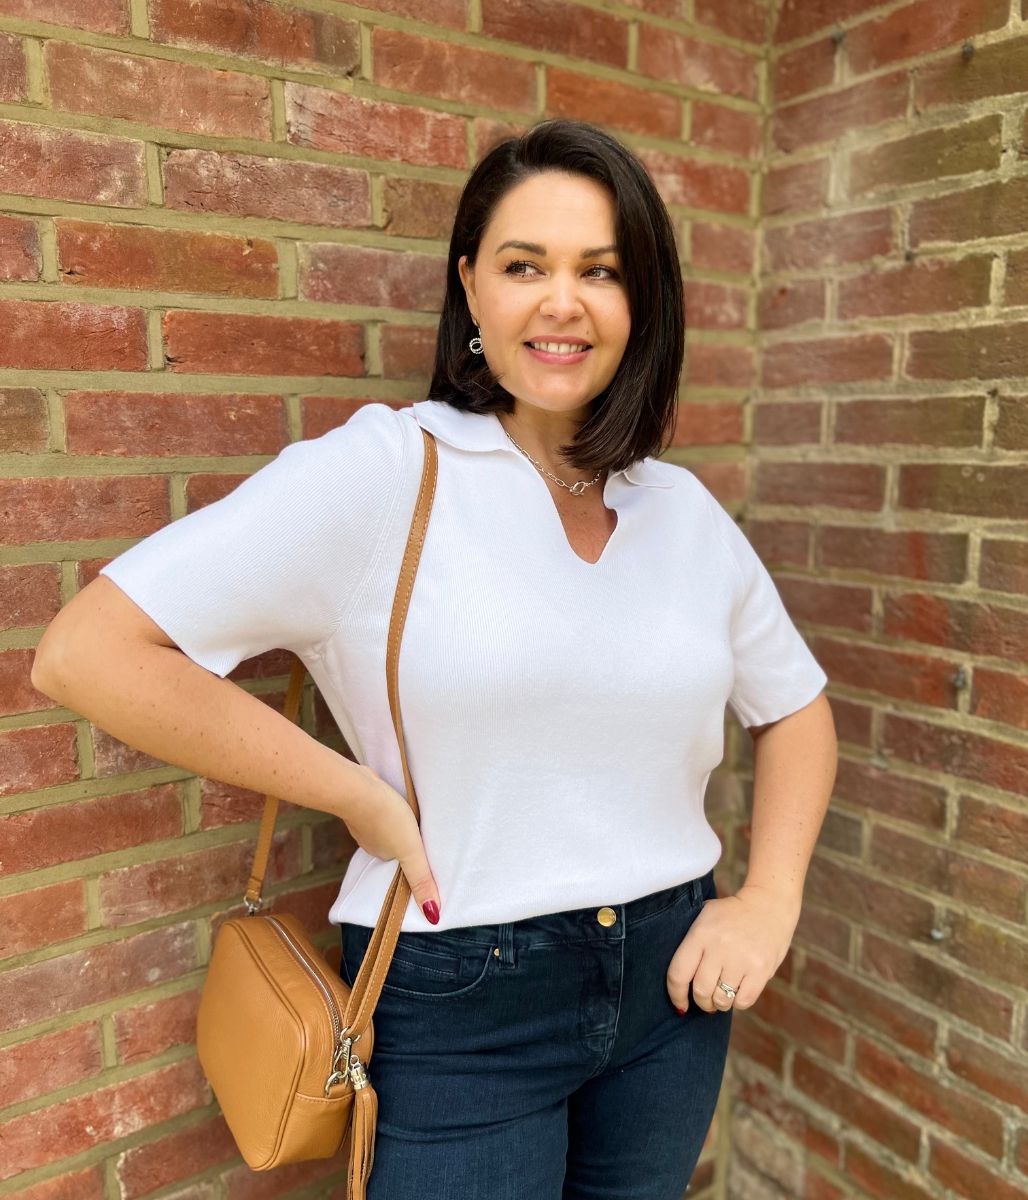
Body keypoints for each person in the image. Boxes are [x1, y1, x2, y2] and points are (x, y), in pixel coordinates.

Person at [32, 118, 838, 1198]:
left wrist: (769, 899)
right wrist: (355, 796)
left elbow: (794, 708)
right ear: (469, 287)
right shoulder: (387, 470)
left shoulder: (677, 507)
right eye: (523, 266)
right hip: (465, 998)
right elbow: (89, 653)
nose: (562, 301)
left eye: (600, 271)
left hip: (671, 993)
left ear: (641, 300)